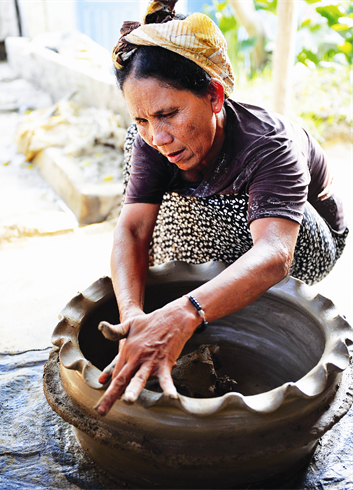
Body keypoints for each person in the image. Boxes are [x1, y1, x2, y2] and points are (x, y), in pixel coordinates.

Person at [94, 0, 348, 416]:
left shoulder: (271, 142)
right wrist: (133, 320)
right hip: (241, 232)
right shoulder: (149, 139)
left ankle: (200, 311)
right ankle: (184, 311)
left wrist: (184, 312)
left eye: (168, 113)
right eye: (141, 118)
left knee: (202, 212)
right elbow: (134, 229)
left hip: (307, 239)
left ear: (214, 95)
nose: (157, 135)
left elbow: (274, 253)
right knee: (145, 171)